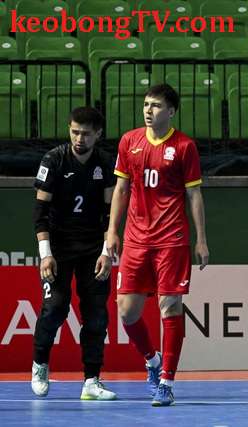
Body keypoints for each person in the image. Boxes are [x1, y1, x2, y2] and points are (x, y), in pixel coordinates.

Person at [106, 84, 209, 407]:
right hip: (136, 239)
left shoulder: (184, 146)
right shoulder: (129, 141)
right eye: (146, 105)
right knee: (127, 311)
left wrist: (201, 239)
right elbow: (121, 189)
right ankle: (152, 360)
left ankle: (166, 380)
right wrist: (112, 231)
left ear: (172, 111)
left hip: (172, 239)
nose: (149, 110)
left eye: (156, 106)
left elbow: (194, 195)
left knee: (170, 306)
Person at [31, 106, 116, 400]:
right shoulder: (53, 160)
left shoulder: (105, 163)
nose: (80, 138)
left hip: (94, 248)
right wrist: (46, 254)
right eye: (75, 132)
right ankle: (40, 364)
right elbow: (40, 212)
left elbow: (109, 214)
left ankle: (92, 381)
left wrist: (107, 252)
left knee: (96, 317)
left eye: (86, 133)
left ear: (98, 135)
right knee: (55, 307)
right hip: (59, 247)